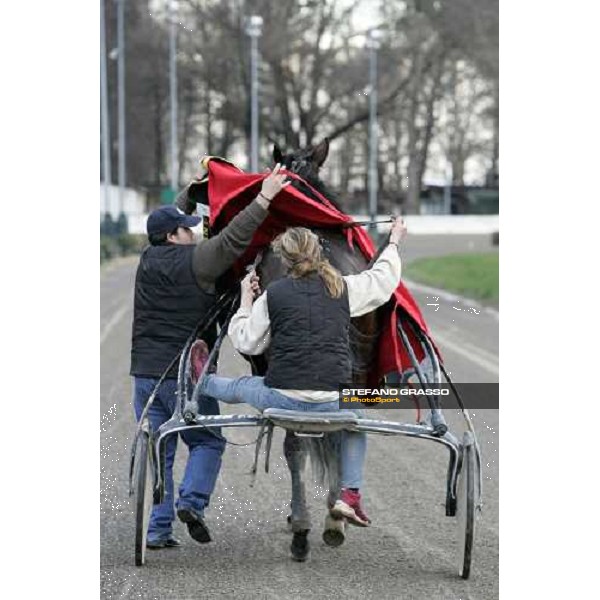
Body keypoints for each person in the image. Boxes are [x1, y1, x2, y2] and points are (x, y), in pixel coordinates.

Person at [193, 217, 407, 527]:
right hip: (336, 401)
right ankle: (350, 495)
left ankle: (202, 379)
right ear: (317, 253)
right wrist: (394, 241)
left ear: (284, 258)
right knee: (357, 421)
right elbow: (383, 279)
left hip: (281, 399)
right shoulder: (344, 288)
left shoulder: (272, 295)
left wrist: (245, 300)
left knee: (239, 386)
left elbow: (246, 342)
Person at [131, 165, 290, 549]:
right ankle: (193, 501)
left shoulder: (146, 260)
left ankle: (157, 531)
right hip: (188, 375)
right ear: (173, 236)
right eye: (188, 227)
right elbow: (235, 239)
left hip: (144, 377)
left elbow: (172, 223)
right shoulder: (198, 260)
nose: (195, 231)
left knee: (161, 450)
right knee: (207, 443)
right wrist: (265, 197)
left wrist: (188, 194)